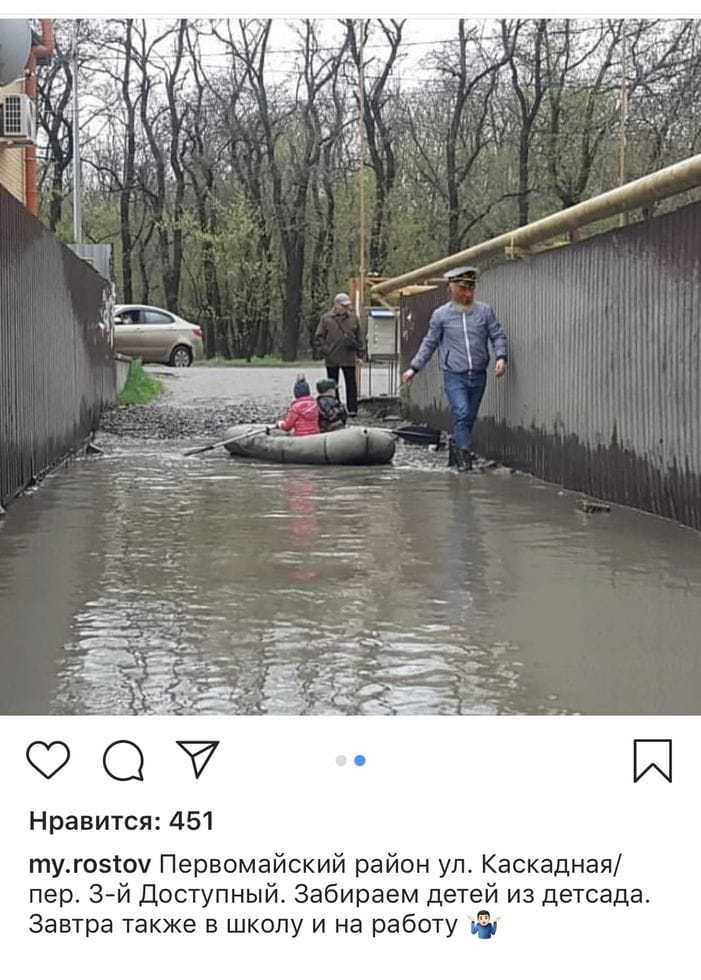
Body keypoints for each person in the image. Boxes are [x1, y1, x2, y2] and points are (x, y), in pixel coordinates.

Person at [401, 266, 507, 472]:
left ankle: (455, 450)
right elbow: (429, 343)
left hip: (478, 374)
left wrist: (501, 357)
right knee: (462, 412)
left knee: (468, 418)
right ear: (452, 289)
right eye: (463, 289)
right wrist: (413, 368)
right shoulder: (441, 315)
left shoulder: (484, 311)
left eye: (471, 289)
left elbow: (497, 335)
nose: (468, 294)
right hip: (454, 375)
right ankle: (464, 463)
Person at [315, 292, 363, 417]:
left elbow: (359, 337)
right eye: (344, 305)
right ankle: (333, 408)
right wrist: (326, 351)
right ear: (336, 305)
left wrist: (360, 353)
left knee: (351, 384)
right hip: (332, 358)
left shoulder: (354, 318)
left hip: (349, 356)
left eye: (347, 305)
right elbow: (319, 337)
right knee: (332, 384)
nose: (346, 308)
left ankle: (352, 409)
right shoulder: (326, 319)